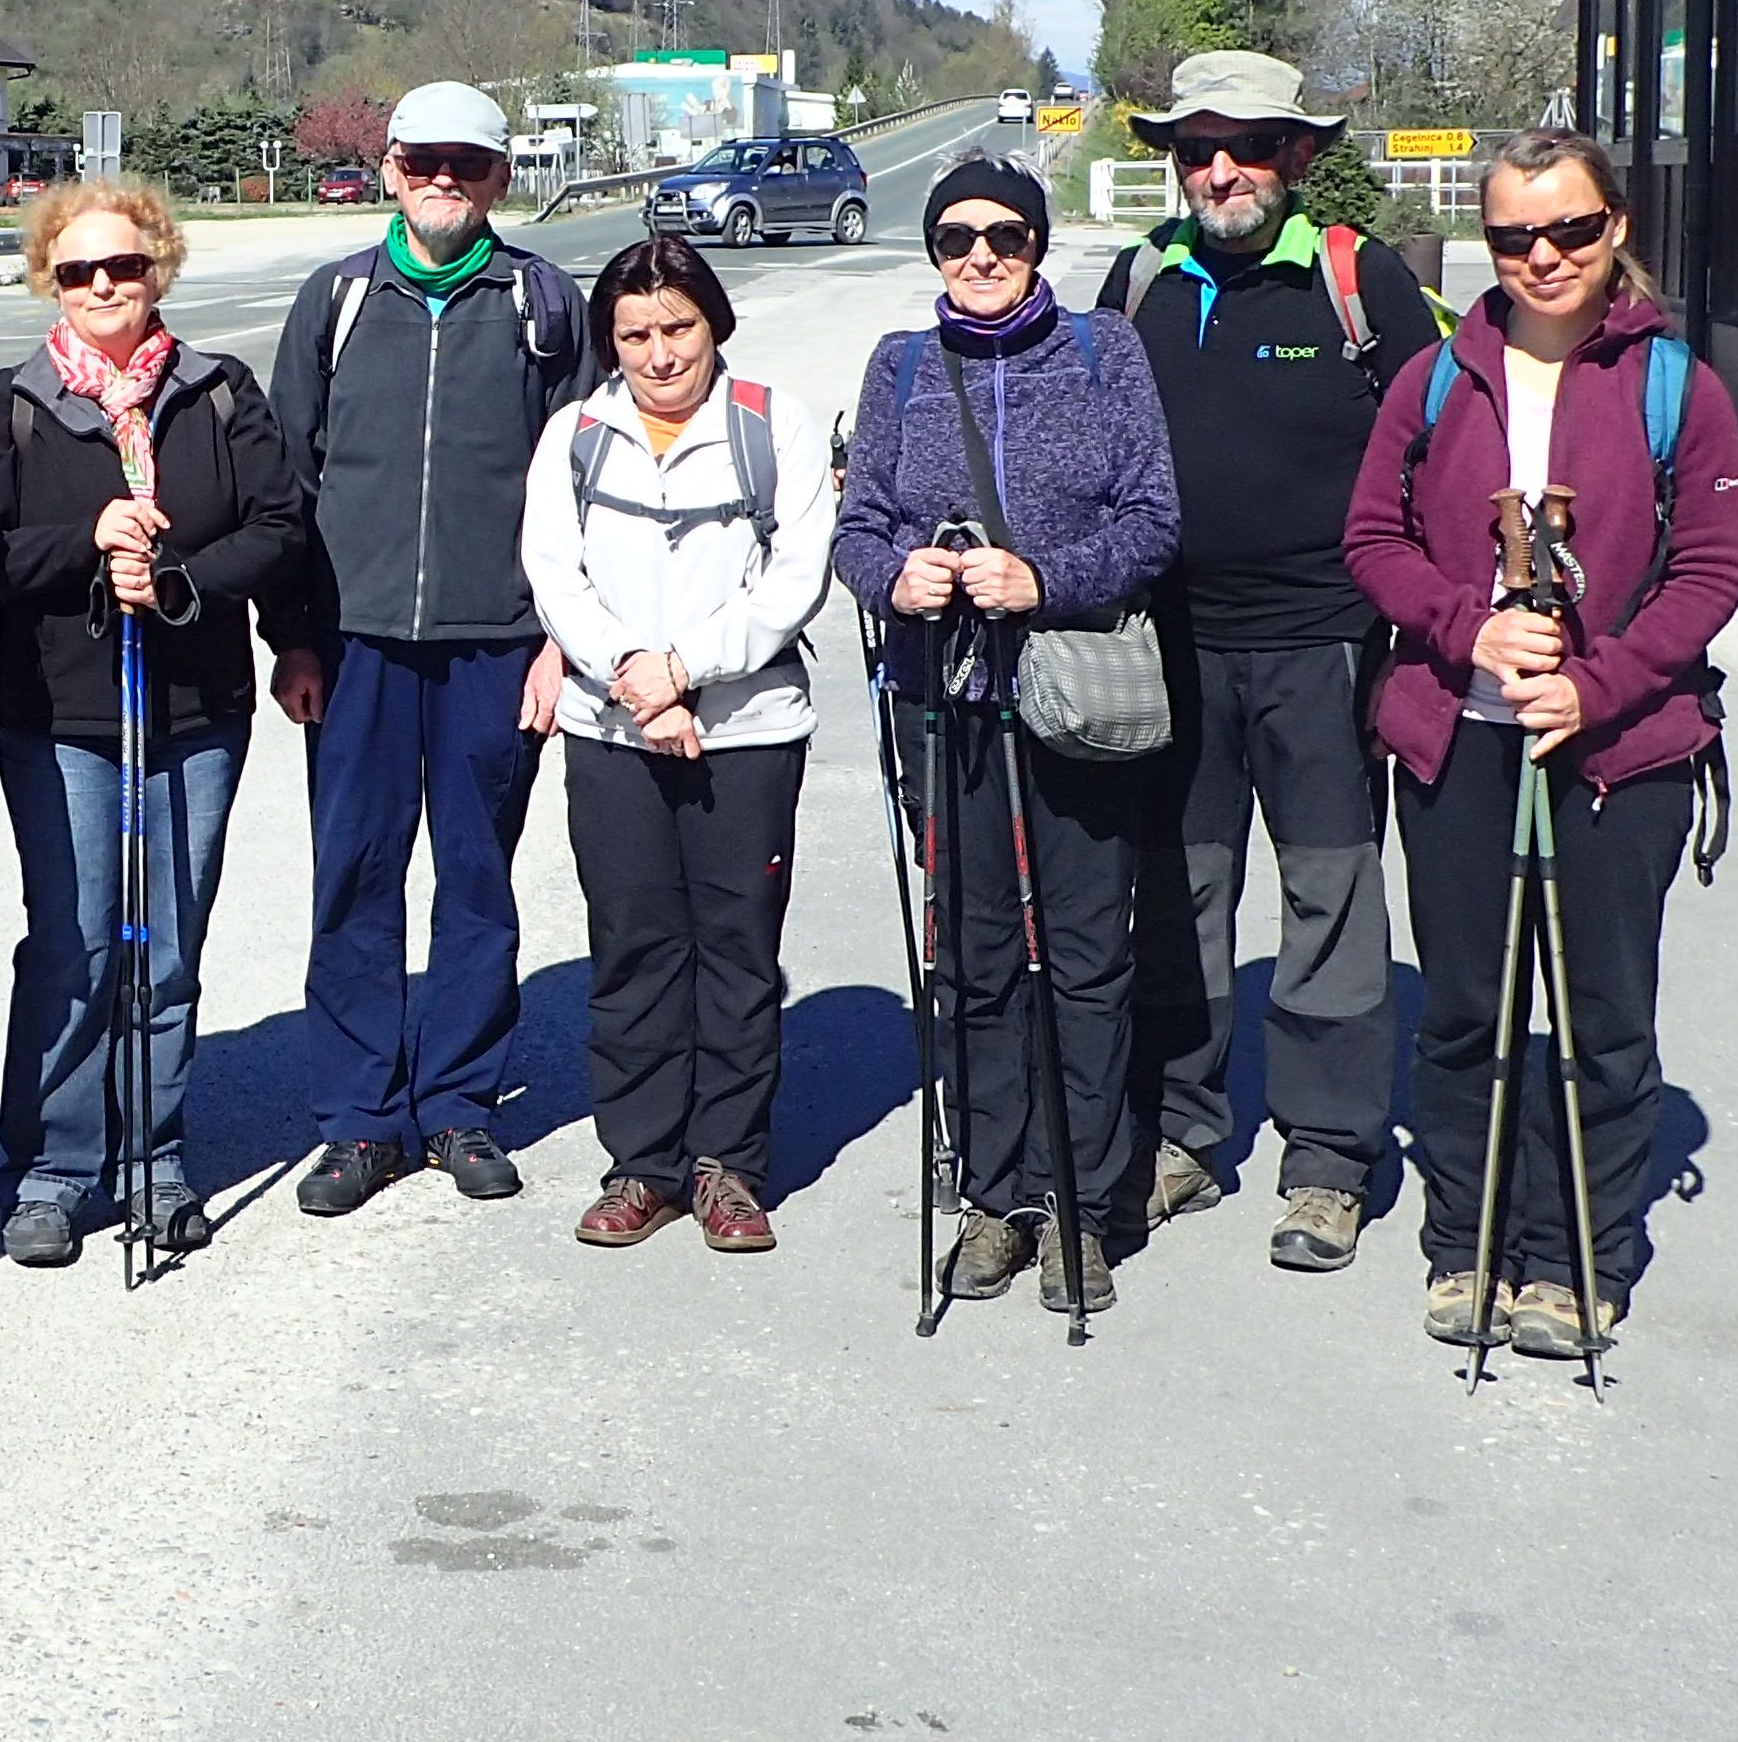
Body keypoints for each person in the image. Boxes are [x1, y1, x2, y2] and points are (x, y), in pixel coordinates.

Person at [1346, 128, 1738, 1358]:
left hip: (1618, 757)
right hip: (1459, 743)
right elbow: (1372, 539)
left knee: (1600, 1019)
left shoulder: (1678, 387)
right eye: (1515, 235)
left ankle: (1577, 1257)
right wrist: (1466, 629)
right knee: (1468, 1014)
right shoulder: (1436, 379)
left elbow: (1709, 571)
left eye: (1571, 229)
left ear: (1615, 225)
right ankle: (1465, 1243)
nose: (1544, 256)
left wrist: (1597, 684)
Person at [1098, 47, 1443, 1274]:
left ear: (1295, 155)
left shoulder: (1359, 279)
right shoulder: (1140, 280)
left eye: (1246, 146)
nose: (1221, 170)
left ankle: (1330, 1160)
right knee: (1178, 904)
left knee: (1329, 905)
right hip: (1172, 649)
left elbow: (1438, 449)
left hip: (1324, 647)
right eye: (1197, 150)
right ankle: (1182, 1135)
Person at [830, 158, 1180, 1317]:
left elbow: (1153, 520)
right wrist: (898, 577)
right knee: (972, 957)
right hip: (947, 703)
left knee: (1083, 957)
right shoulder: (901, 366)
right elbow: (858, 528)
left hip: (1073, 696)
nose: (980, 256)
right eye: (956, 239)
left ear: (1037, 244)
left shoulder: (1100, 352)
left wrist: (1043, 580)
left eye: (1006, 237)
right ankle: (992, 1191)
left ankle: (1080, 1199)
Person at [0, 175, 308, 1269]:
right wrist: (91, 538)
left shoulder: (217, 390)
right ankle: (57, 1166)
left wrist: (177, 583)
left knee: (165, 945)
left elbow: (279, 525)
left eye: (124, 265)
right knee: (73, 946)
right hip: (61, 714)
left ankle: (154, 1156)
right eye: (79, 271)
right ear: (50, 282)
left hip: (195, 710)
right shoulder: (15, 404)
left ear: (159, 269)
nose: (103, 286)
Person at [263, 81, 591, 1215]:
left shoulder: (544, 304)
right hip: (352, 645)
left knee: (478, 876)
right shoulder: (338, 299)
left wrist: (559, 643)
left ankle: (457, 1104)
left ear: (501, 177)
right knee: (354, 876)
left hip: (496, 645)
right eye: (423, 160)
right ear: (391, 168)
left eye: (470, 163)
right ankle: (359, 1121)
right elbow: (287, 481)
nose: (445, 179)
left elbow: (581, 490)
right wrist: (292, 636)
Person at [520, 234, 836, 1253]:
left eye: (678, 328)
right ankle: (643, 1164)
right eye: (634, 336)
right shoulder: (576, 435)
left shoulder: (771, 426)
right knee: (634, 947)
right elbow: (554, 574)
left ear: (714, 324)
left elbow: (796, 579)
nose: (659, 354)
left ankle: (728, 1166)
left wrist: (686, 668)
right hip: (612, 730)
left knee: (736, 950)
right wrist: (636, 676)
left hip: (746, 731)